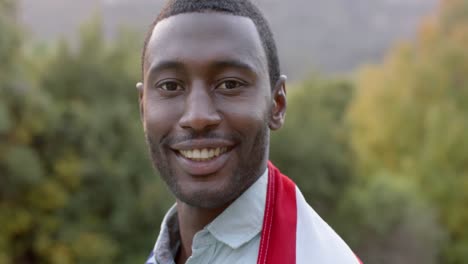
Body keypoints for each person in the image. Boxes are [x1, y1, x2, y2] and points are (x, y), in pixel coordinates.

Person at [136, 0, 362, 263]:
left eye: (230, 84)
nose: (197, 117)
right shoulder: (169, 250)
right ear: (143, 108)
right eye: (171, 86)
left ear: (277, 104)